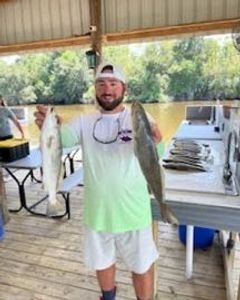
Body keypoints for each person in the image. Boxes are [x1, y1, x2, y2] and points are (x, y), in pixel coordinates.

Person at [34, 62, 162, 300]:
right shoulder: (84, 121)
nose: (107, 89)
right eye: (101, 84)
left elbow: (157, 155)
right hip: (97, 212)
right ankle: (108, 297)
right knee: (102, 262)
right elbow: (63, 138)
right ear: (95, 89)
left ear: (124, 88)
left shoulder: (137, 116)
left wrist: (157, 140)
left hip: (133, 211)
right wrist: (48, 126)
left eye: (113, 83)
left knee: (142, 265)